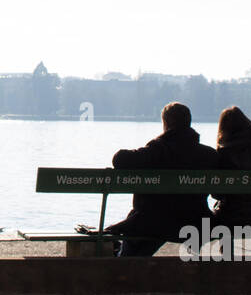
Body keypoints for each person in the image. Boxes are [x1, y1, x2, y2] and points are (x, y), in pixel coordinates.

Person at [80, 102, 219, 257]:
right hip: (196, 222)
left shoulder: (158, 150)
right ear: (189, 122)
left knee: (140, 238)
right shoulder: (209, 155)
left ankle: (124, 264)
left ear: (165, 123)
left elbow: (120, 159)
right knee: (153, 228)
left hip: (153, 223)